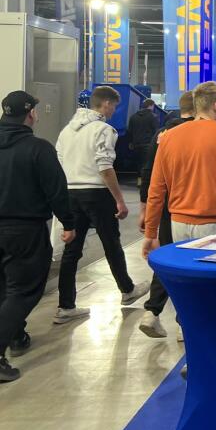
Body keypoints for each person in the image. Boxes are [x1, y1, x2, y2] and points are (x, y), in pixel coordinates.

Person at [55, 86, 149, 325]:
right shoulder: (103, 129)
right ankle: (127, 290)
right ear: (106, 103)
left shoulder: (66, 131)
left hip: (71, 193)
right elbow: (105, 167)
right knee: (111, 243)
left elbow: (60, 163)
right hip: (97, 193)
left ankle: (66, 306)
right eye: (114, 106)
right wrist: (119, 200)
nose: (114, 110)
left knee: (71, 251)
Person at [0, 92, 75, 382]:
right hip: (24, 230)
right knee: (23, 291)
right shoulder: (38, 149)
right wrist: (68, 223)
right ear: (30, 113)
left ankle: (16, 336)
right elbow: (56, 189)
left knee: (5, 287)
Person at [142, 81, 216, 260]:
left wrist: (150, 232)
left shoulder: (168, 137)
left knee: (188, 273)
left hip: (178, 225)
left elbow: (156, 189)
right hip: (215, 224)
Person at [137, 91, 195, 339]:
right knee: (191, 263)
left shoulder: (162, 134)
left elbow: (149, 171)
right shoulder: (198, 135)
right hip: (190, 206)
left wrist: (145, 208)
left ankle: (152, 311)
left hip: (164, 207)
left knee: (170, 258)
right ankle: (184, 322)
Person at [127, 98, 159, 177]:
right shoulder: (153, 116)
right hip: (148, 144)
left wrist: (130, 143)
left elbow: (130, 131)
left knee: (139, 163)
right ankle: (145, 181)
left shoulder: (133, 117)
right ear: (151, 106)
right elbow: (156, 131)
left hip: (136, 145)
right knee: (147, 165)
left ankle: (139, 180)